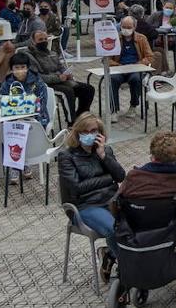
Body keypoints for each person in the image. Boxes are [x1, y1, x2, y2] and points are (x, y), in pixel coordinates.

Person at [57, 112, 126, 271]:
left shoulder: (105, 151)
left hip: (111, 201)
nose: (89, 135)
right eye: (85, 132)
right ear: (77, 133)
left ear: (99, 133)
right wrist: (108, 179)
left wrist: (103, 156)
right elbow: (76, 187)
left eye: (93, 131)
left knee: (137, 222)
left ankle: (111, 254)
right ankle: (127, 269)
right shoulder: (67, 156)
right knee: (113, 228)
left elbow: (121, 176)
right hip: (85, 206)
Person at [24, 29, 93, 124]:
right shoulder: (29, 56)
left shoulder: (52, 53)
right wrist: (58, 78)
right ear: (33, 41)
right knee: (67, 92)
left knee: (88, 89)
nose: (44, 42)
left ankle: (80, 117)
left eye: (45, 39)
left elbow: (60, 66)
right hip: (45, 85)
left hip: (62, 81)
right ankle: (71, 122)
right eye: (40, 40)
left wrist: (67, 73)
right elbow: (37, 77)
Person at [109, 16, 156, 120]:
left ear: (134, 27)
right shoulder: (114, 38)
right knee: (112, 79)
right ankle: (114, 110)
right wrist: (118, 66)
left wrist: (138, 64)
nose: (126, 29)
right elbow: (106, 59)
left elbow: (150, 57)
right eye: (123, 26)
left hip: (135, 68)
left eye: (129, 27)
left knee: (136, 79)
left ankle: (133, 106)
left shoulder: (141, 38)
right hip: (119, 68)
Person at [1, 51, 50, 129]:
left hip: (37, 119)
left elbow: (41, 106)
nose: (20, 70)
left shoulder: (38, 82)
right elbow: (4, 103)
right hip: (13, 119)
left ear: (27, 68)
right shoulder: (7, 84)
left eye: (23, 67)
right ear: (11, 69)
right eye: (16, 68)